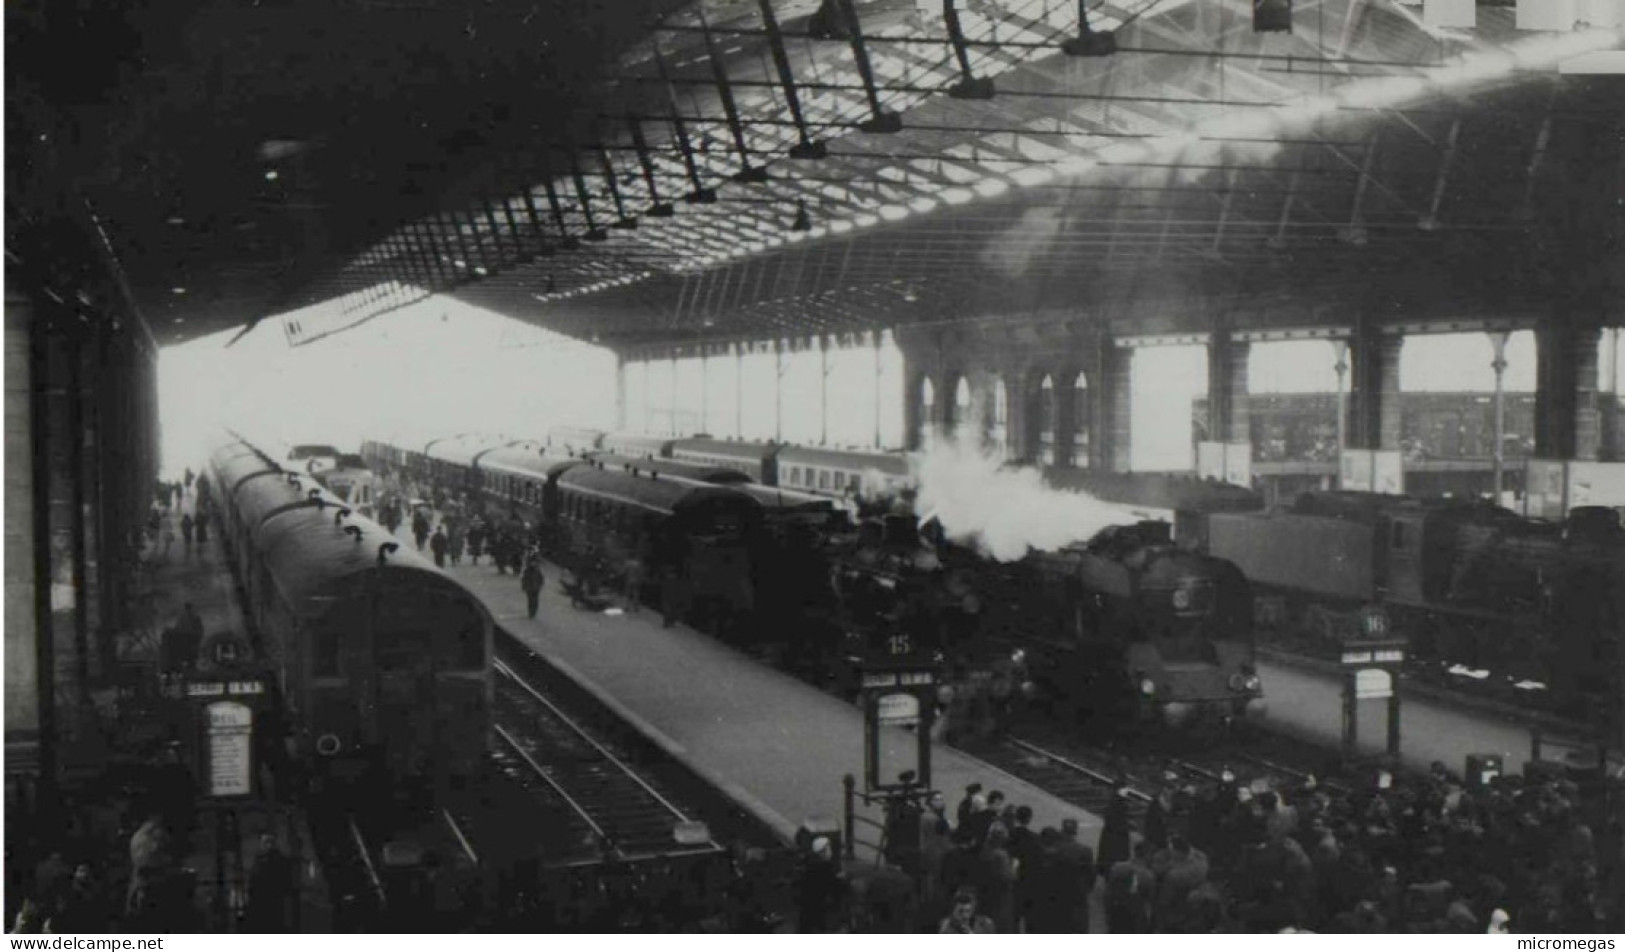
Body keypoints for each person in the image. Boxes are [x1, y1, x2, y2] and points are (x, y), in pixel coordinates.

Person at [246, 833, 296, 932]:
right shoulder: (260, 860)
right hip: (263, 901)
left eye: (269, 842)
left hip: (272, 899)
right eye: (265, 842)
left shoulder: (278, 861)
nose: (267, 845)